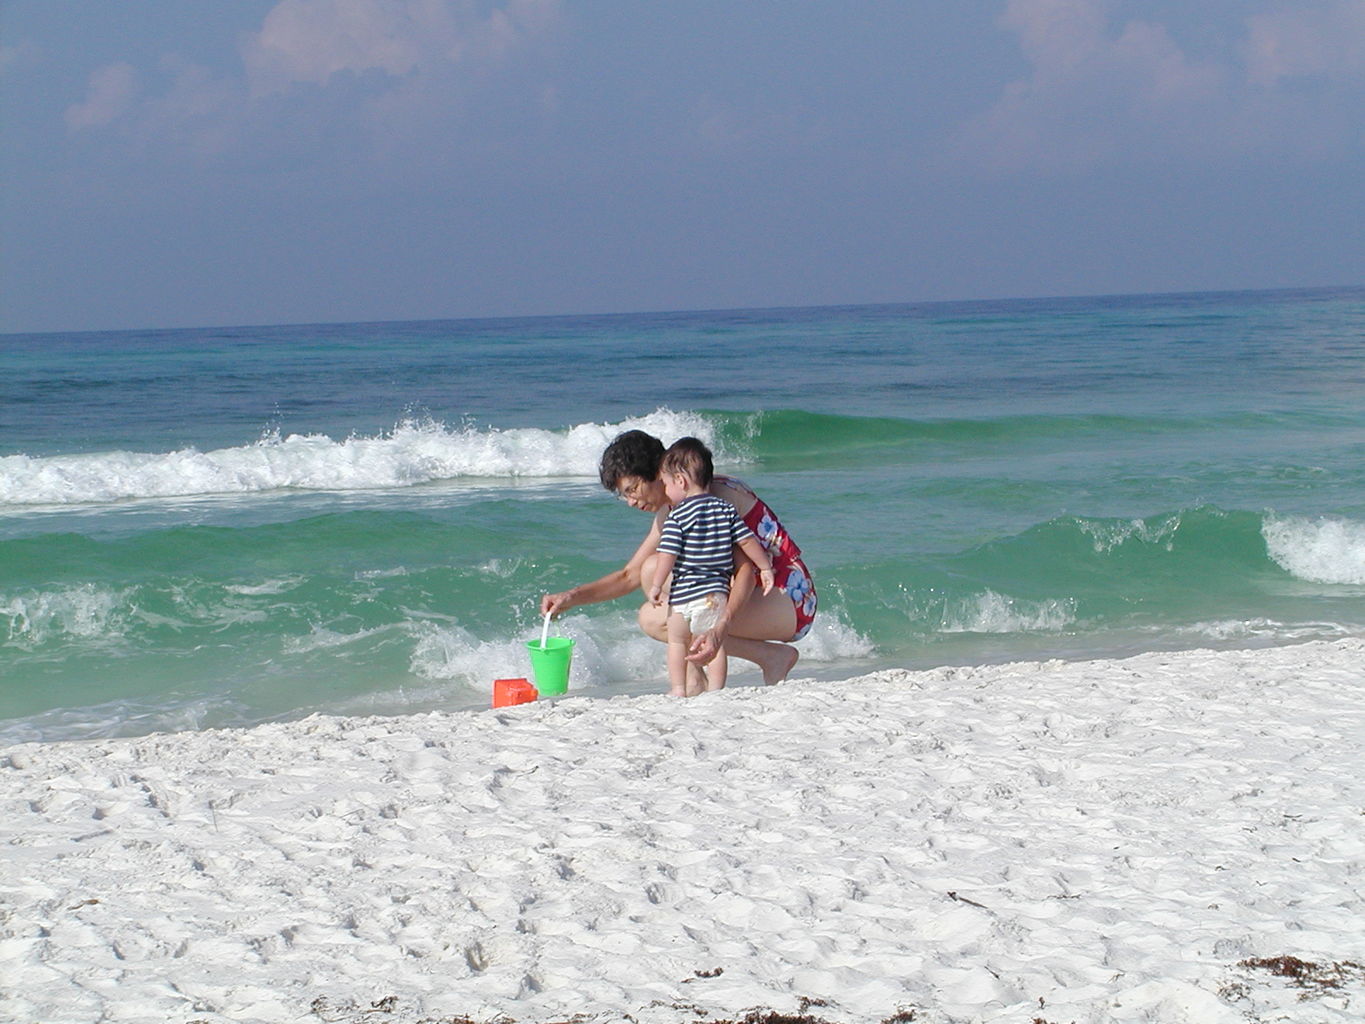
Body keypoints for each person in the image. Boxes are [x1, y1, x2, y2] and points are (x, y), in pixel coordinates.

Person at [540, 429, 817, 692]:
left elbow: (745, 569)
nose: (631, 502)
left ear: (658, 473)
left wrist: (721, 626)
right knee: (652, 612)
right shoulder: (672, 510)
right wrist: (571, 597)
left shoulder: (713, 497)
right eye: (623, 495)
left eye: (632, 488)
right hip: (758, 595)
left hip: (787, 596)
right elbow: (629, 576)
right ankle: (768, 657)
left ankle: (695, 677)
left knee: (657, 577)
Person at [646, 438, 775, 696]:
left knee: (676, 642)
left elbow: (667, 554)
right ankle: (716, 690)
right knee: (715, 646)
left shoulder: (677, 516)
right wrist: (765, 568)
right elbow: (747, 541)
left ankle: (678, 688)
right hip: (714, 594)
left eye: (666, 484)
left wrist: (657, 584)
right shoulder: (725, 509)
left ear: (680, 481)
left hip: (683, 595)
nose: (666, 491)